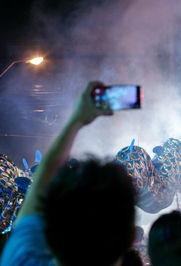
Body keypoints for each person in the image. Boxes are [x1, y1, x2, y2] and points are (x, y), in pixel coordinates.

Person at [0, 81, 138, 266]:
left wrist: (77, 119)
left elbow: (42, 178)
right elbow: (43, 178)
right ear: (130, 238)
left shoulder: (21, 260)